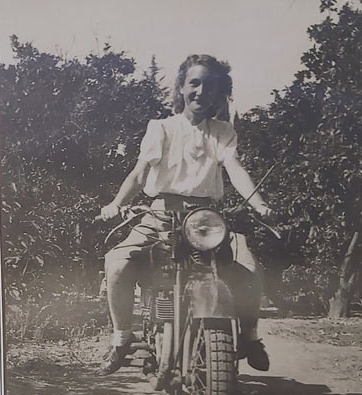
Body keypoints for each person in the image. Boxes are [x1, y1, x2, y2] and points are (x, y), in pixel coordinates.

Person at [98, 54, 273, 375]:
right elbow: (139, 174)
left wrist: (258, 203)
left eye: (210, 85)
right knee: (117, 264)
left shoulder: (222, 132)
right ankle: (122, 338)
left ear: (218, 92)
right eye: (194, 83)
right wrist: (116, 204)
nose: (201, 91)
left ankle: (250, 336)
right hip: (159, 216)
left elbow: (235, 169)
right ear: (181, 88)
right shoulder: (161, 128)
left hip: (206, 221)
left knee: (248, 265)